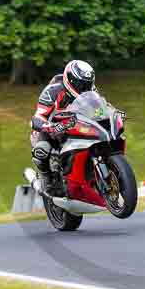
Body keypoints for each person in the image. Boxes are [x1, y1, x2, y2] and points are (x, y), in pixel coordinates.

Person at [30, 60, 96, 193]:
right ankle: (46, 179)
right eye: (80, 85)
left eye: (87, 85)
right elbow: (39, 116)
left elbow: (100, 109)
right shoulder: (52, 91)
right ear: (70, 81)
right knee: (42, 149)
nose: (84, 88)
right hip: (51, 129)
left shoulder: (92, 91)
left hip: (78, 126)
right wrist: (46, 126)